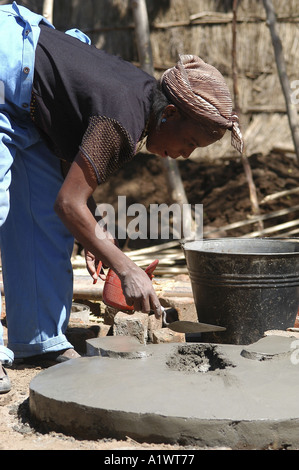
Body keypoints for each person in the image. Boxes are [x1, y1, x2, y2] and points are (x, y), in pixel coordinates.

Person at [0, 2, 243, 393]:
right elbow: (70, 204)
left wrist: (93, 231)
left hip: (30, 109)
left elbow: (68, 172)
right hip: (4, 63)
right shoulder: (123, 118)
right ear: (170, 116)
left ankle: (39, 342)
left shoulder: (139, 102)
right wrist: (125, 267)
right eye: (191, 142)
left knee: (41, 219)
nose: (186, 155)